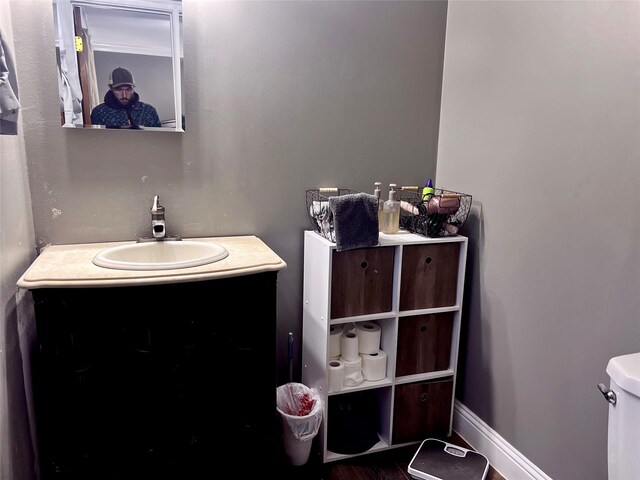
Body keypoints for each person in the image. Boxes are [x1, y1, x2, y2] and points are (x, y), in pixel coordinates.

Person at [90, 67, 161, 129]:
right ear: (110, 88)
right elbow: (96, 139)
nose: (124, 95)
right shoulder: (99, 112)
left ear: (133, 89)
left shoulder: (148, 111)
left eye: (128, 89)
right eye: (118, 89)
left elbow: (159, 138)